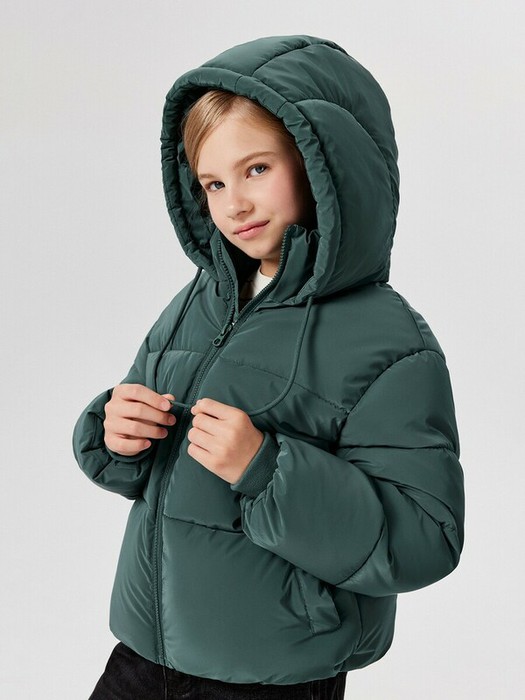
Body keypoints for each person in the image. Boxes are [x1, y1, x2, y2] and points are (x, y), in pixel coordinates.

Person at [72, 34, 465, 699]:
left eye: (256, 169)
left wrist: (265, 469)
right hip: (147, 650)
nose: (234, 204)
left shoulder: (389, 341)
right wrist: (115, 434)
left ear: (322, 163)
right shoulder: (199, 300)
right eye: (213, 183)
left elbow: (425, 537)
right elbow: (151, 466)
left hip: (271, 674)